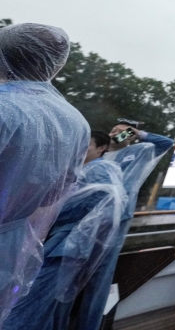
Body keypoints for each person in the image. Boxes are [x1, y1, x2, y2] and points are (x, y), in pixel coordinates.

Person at [0, 23, 90, 325]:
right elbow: (54, 193)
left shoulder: (4, 106)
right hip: (9, 247)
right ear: (57, 64)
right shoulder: (76, 123)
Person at [5, 131, 127, 330]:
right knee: (46, 306)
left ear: (101, 148)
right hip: (64, 246)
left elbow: (100, 205)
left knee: (30, 304)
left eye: (86, 144)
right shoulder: (82, 171)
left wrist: (43, 211)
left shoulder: (101, 171)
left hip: (67, 248)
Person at [73, 120, 175, 330]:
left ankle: (89, 325)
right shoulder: (100, 154)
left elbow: (166, 143)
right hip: (87, 216)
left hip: (117, 219)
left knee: (100, 275)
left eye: (121, 132)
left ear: (130, 135)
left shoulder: (141, 151)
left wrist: (140, 134)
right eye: (113, 130)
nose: (114, 134)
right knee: (74, 268)